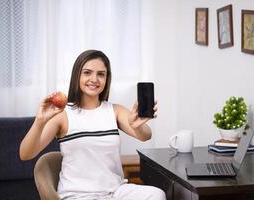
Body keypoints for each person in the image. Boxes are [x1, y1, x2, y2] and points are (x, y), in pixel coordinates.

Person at [19, 49, 166, 200]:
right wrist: (40, 121)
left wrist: (137, 125)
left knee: (156, 194)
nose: (94, 79)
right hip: (78, 195)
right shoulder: (63, 114)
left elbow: (146, 136)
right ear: (77, 75)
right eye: (87, 72)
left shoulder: (114, 110)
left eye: (101, 74)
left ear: (106, 79)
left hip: (115, 192)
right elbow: (25, 154)